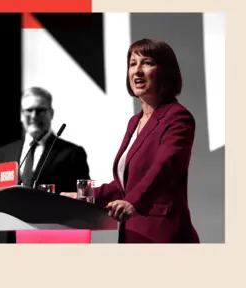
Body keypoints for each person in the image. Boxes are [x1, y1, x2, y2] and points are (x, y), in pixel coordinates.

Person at [62, 38, 200, 243]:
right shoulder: (134, 122)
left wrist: (133, 202)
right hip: (132, 232)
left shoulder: (178, 117)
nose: (137, 71)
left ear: (165, 71)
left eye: (147, 63)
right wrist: (82, 196)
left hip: (162, 234)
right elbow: (123, 185)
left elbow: (165, 167)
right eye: (133, 64)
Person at [0, 87, 91, 243]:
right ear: (20, 115)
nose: (34, 116)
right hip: (8, 240)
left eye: (40, 110)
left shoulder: (72, 153)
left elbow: (85, 202)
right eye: (28, 110)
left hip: (50, 238)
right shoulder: (2, 154)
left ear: (51, 113)